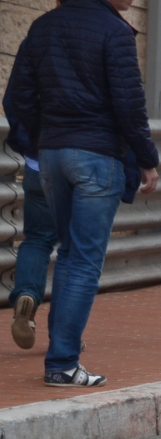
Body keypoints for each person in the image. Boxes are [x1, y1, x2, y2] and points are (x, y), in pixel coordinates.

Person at [4, 0, 160, 387]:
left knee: (69, 252)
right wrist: (147, 158)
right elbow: (130, 103)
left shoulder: (43, 26)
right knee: (83, 260)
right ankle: (62, 363)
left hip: (53, 156)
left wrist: (45, 137)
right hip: (96, 156)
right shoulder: (115, 31)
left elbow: (17, 97)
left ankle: (62, 354)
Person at [2, 93, 57, 351]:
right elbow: (126, 103)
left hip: (41, 159)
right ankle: (64, 334)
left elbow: (15, 96)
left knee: (37, 238)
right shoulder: (108, 50)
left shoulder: (35, 49)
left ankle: (27, 295)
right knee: (78, 250)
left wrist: (27, 143)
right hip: (88, 159)